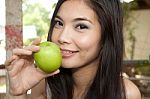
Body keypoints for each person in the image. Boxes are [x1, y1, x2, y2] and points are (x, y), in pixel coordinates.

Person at [5, 0, 141, 99]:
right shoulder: (44, 82)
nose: (62, 37)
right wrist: (15, 93)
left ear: (107, 35)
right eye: (59, 23)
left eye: (81, 26)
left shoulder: (124, 94)